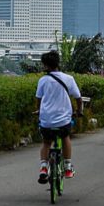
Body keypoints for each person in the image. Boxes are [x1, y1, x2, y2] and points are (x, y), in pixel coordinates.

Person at [36, 50, 83, 183]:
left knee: (46, 142)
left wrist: (38, 111)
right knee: (65, 136)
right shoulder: (69, 79)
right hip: (63, 119)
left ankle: (44, 167)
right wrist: (79, 111)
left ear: (45, 65)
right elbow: (78, 98)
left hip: (46, 120)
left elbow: (38, 99)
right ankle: (68, 167)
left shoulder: (43, 80)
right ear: (58, 63)